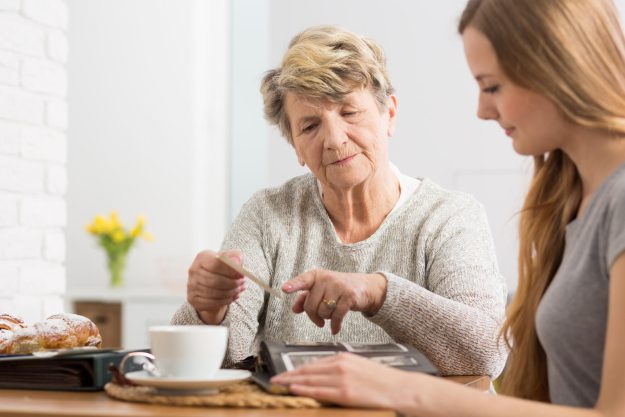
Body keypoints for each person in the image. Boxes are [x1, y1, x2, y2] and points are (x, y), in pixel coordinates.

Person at [271, 0, 625, 414]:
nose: (482, 110)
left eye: (492, 86)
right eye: (310, 125)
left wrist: (399, 389)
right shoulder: (570, 197)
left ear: (559, 69)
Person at [171, 25, 508, 377]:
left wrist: (378, 291)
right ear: (296, 148)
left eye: (349, 112)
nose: (333, 139)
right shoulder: (267, 215)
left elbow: (485, 355)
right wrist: (208, 312)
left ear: (389, 114)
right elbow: (219, 362)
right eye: (310, 126)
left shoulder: (450, 216)